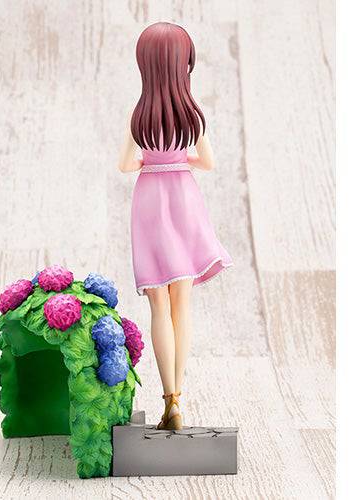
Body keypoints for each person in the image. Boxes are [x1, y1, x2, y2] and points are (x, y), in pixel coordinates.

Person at [118, 22, 233, 430]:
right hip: (184, 199)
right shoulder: (191, 115)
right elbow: (208, 162)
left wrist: (151, 160)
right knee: (182, 302)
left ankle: (168, 398)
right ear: (182, 64)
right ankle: (178, 400)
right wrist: (179, 159)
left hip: (150, 202)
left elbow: (126, 165)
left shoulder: (139, 115)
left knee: (159, 304)